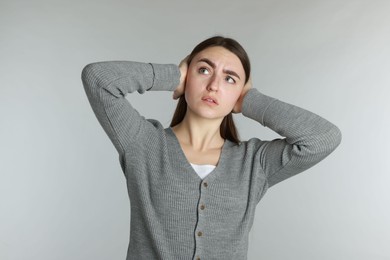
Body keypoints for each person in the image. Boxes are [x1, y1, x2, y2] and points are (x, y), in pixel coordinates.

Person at [81, 36, 341, 260]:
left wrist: (250, 101)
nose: (214, 85)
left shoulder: (254, 163)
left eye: (230, 79)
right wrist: (173, 76)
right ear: (187, 76)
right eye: (203, 70)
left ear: (240, 91)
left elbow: (323, 137)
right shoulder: (144, 143)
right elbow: (98, 79)